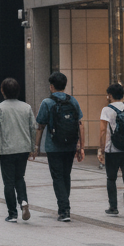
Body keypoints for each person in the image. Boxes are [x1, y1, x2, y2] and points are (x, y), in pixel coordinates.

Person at [32, 70, 85, 222]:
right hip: (70, 145)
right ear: (64, 85)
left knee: (57, 177)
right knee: (66, 175)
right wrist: (81, 146)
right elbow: (80, 124)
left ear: (51, 86)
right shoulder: (73, 101)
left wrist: (36, 147)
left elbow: (40, 126)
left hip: (53, 147)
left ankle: (64, 209)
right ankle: (65, 206)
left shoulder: (47, 102)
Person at [0, 77, 34, 223]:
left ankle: (12, 214)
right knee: (20, 177)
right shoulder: (27, 107)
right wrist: (33, 147)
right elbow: (33, 128)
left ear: (2, 91)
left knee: (8, 182)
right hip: (23, 148)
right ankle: (23, 201)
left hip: (7, 150)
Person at [99, 82, 124, 217]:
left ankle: (113, 207)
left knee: (111, 178)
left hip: (112, 149)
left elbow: (102, 131)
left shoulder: (107, 109)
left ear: (110, 95)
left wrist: (101, 149)